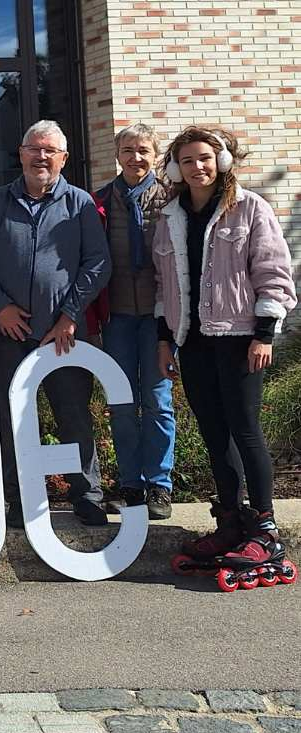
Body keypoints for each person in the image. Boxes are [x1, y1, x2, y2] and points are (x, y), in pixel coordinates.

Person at [154, 127, 296, 574]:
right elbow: (163, 285)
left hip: (240, 338)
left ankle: (265, 529)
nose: (198, 167)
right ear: (176, 168)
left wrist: (265, 334)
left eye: (205, 158)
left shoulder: (250, 207)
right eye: (188, 160)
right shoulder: (170, 217)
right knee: (214, 433)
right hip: (193, 341)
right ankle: (231, 521)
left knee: (245, 429)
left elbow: (273, 272)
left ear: (222, 161)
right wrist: (164, 339)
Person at [0, 120, 110, 527]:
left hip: (64, 335)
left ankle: (87, 495)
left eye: (50, 150)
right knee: (14, 417)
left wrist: (69, 316)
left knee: (73, 415)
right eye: (34, 149)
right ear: (21, 153)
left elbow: (98, 262)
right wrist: (1, 307)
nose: (41, 157)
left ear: (63, 158)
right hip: (9, 333)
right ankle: (20, 497)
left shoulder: (79, 204)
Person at [92, 124, 175, 521]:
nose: (135, 157)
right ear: (117, 154)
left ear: (155, 155)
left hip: (159, 318)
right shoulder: (100, 201)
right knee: (122, 402)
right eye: (128, 150)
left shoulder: (172, 200)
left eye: (143, 150)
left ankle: (159, 484)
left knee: (157, 401)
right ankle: (130, 484)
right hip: (118, 316)